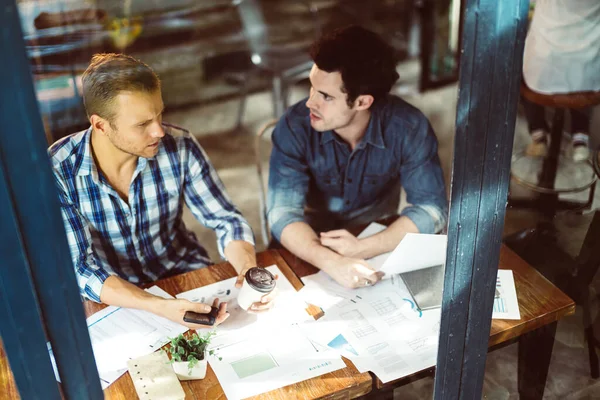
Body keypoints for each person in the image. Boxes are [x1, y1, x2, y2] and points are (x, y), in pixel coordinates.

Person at [49, 53, 275, 329]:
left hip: (183, 268)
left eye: (159, 114)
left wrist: (247, 270)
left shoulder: (180, 145)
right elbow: (82, 270)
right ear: (100, 125)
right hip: (113, 296)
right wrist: (159, 306)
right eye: (142, 124)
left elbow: (226, 219)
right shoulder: (58, 170)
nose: (158, 131)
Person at [267, 26, 448, 290]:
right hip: (307, 234)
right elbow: (282, 213)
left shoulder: (408, 128)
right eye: (312, 88)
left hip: (374, 233)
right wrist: (331, 261)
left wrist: (364, 247)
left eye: (326, 96)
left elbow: (432, 208)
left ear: (362, 102)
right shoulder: (295, 126)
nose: (310, 103)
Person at [522, 0, 600, 161]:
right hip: (587, 72)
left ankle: (538, 135)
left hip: (542, 71)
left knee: (523, 67)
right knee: (582, 67)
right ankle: (580, 139)